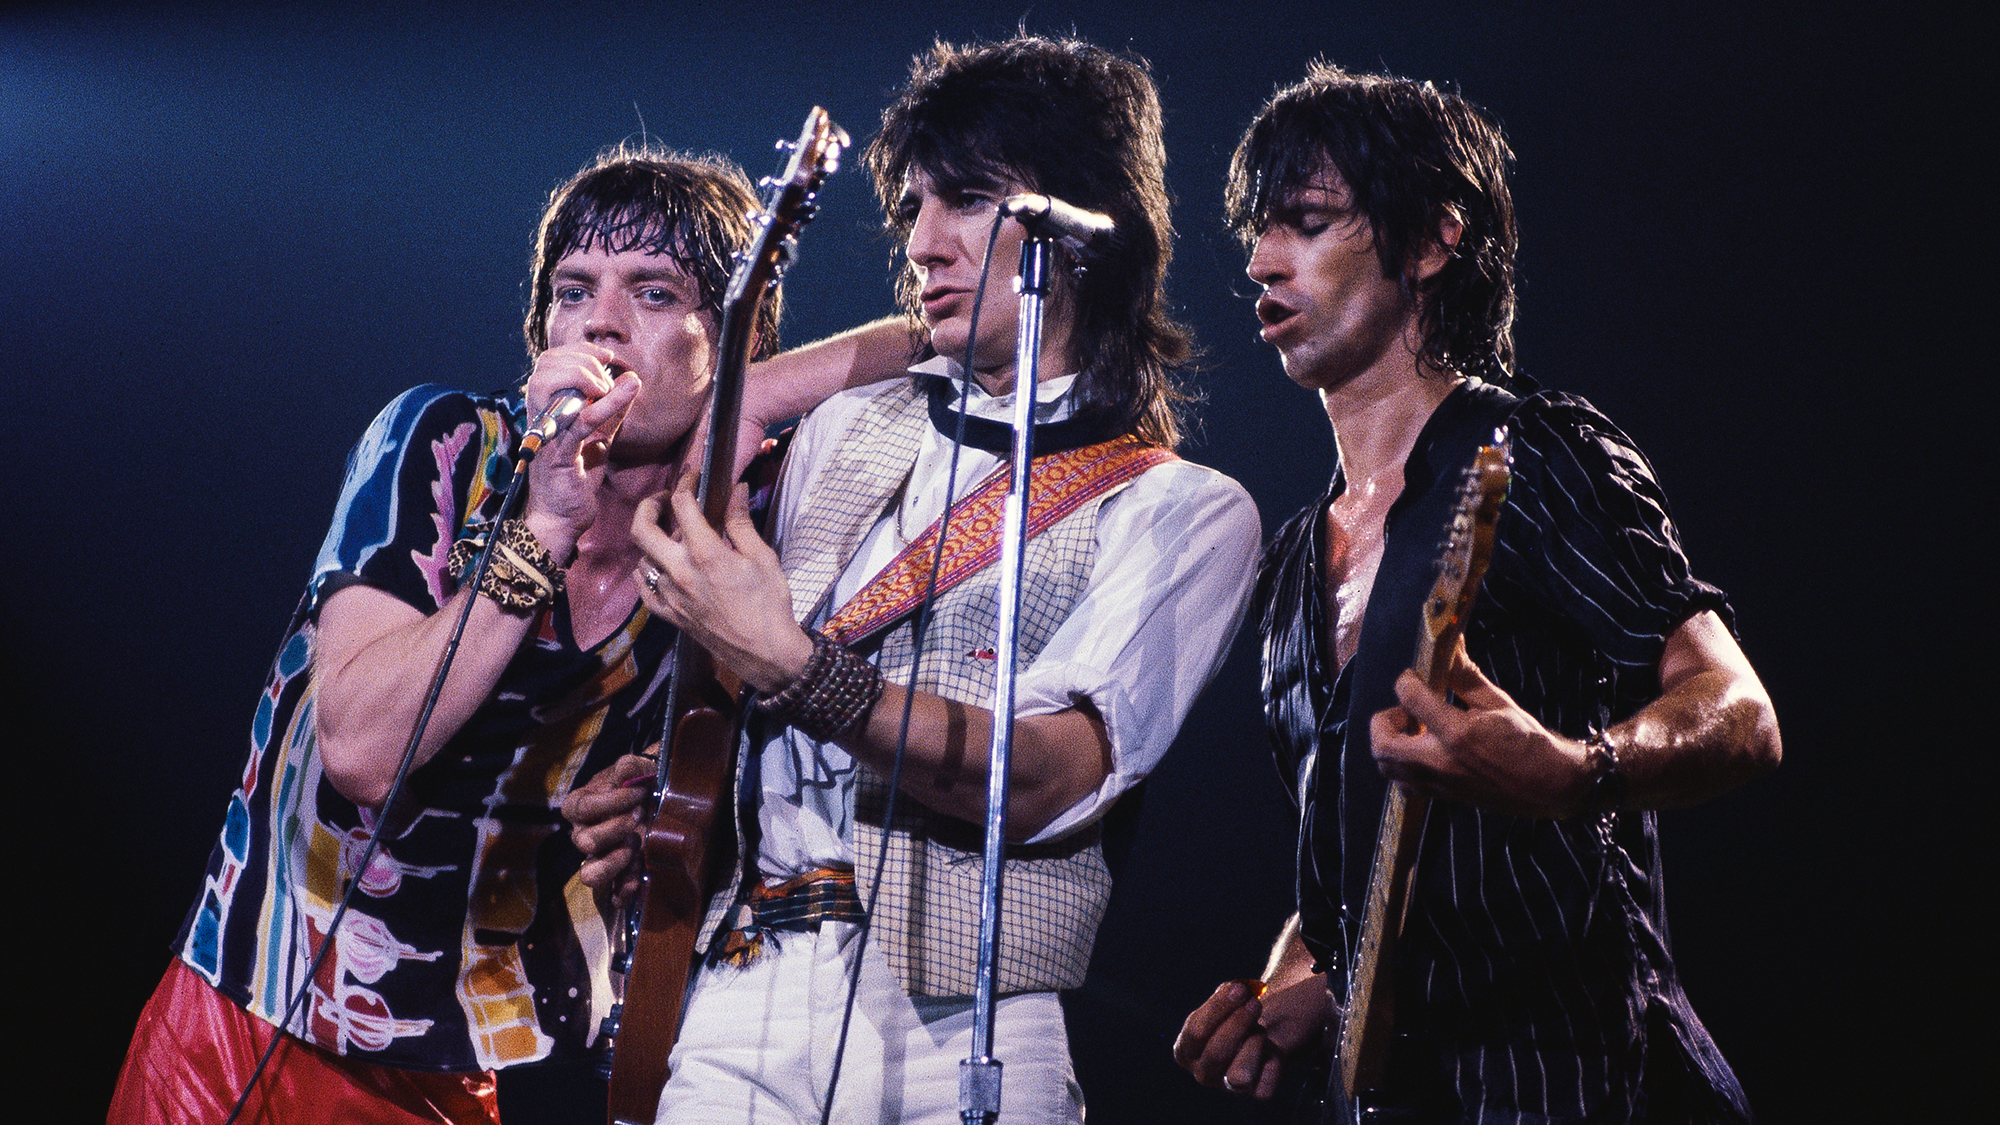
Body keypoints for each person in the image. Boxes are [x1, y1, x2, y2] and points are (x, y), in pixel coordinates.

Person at [565, 34, 1261, 1125]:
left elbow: (1042, 781)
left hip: (963, 1018)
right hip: (740, 982)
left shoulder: (1183, 510)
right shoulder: (846, 423)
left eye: (967, 203)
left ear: (1075, 226)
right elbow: (721, 416)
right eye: (912, 208)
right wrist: (670, 783)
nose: (923, 245)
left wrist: (792, 667)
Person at [108, 146, 840, 1124]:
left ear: (739, 345)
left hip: (452, 1069)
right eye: (572, 291)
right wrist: (543, 525)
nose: (600, 321)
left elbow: (908, 356)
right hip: (242, 1029)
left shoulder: (734, 535)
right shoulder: (447, 445)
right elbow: (364, 749)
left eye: (653, 293)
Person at [1172, 64, 1781, 1123]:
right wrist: (1289, 981)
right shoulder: (1287, 562)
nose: (1263, 263)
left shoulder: (1536, 454)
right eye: (1257, 233)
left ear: (1427, 241)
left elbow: (1738, 712)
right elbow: (1353, 851)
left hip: (1570, 1072)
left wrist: (1573, 769)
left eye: (1307, 223)